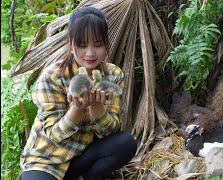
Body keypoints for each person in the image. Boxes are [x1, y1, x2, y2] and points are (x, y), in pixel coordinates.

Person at [20, 7, 137, 180]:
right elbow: (55, 135)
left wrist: (96, 105)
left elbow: (110, 132)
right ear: (71, 43)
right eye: (82, 45)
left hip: (83, 156)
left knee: (126, 143)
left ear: (106, 43)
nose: (90, 53)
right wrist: (77, 109)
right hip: (47, 159)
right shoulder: (52, 76)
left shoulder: (113, 75)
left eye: (97, 45)